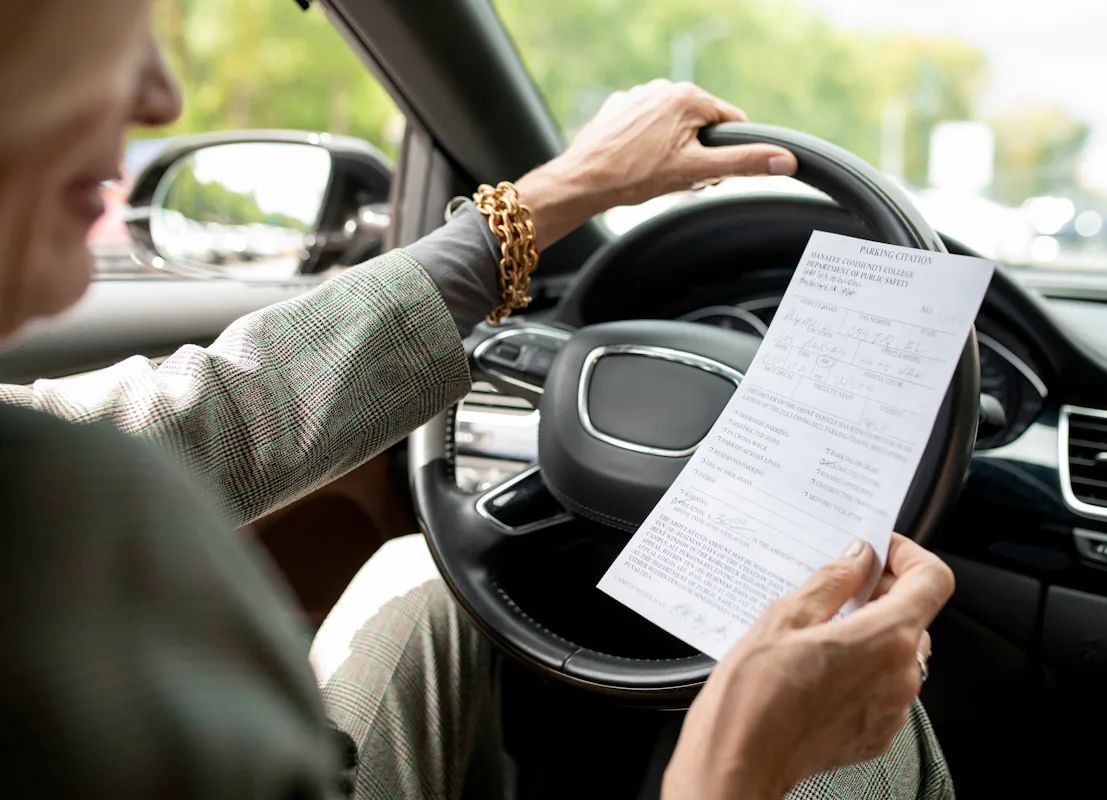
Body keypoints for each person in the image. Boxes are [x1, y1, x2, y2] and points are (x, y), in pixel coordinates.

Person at [0, 1, 955, 798]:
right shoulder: (70, 504)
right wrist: (738, 761)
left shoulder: (49, 491)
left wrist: (550, 199)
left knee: (418, 582)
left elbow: (207, 419)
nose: (164, 99)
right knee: (861, 737)